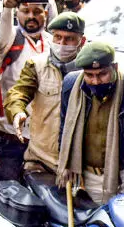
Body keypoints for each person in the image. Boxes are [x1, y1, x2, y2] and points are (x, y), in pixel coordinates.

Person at [56, 42, 124, 204]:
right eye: (89, 75)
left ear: (115, 67)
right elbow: (64, 130)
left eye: (102, 74)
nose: (96, 81)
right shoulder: (71, 86)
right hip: (85, 177)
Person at [5, 13, 86, 175]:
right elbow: (19, 92)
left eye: (69, 39)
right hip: (41, 160)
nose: (62, 44)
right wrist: (17, 112)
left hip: (79, 163)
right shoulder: (36, 65)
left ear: (81, 41)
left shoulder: (91, 71)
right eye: (57, 37)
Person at [0, 0, 53, 181]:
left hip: (42, 139)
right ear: (18, 14)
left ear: (46, 13)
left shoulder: (52, 43)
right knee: (9, 193)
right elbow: (0, 37)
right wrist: (7, 8)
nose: (31, 16)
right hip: (10, 137)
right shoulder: (10, 40)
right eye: (25, 11)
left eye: (37, 11)